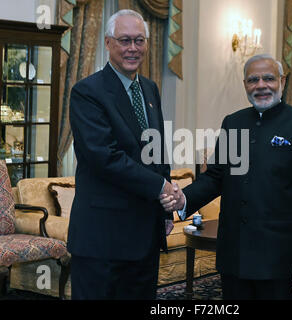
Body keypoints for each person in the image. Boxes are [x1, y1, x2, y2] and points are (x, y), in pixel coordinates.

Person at [160, 54, 292, 300]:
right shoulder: (233, 122)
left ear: (282, 81)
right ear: (245, 85)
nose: (261, 85)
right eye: (253, 80)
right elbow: (216, 177)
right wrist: (183, 199)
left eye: (268, 78)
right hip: (235, 257)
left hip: (281, 260)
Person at [68, 9, 178, 300]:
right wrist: (160, 187)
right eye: (125, 40)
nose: (133, 48)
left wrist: (166, 205)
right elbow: (105, 157)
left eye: (139, 40)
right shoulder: (87, 92)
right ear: (107, 43)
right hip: (102, 240)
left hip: (145, 238)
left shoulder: (151, 89)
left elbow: (157, 151)